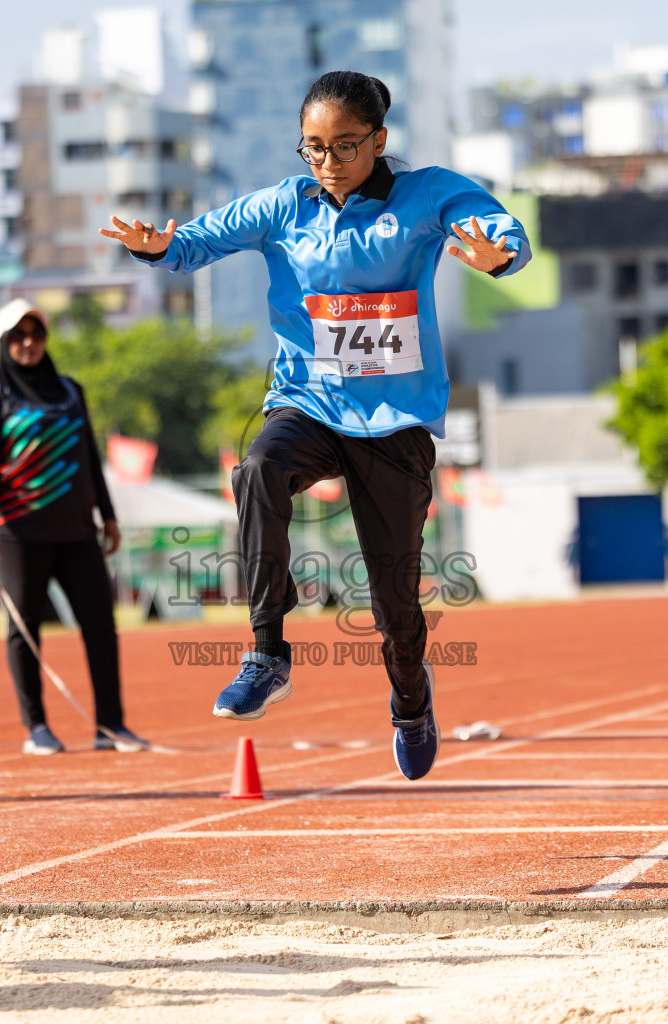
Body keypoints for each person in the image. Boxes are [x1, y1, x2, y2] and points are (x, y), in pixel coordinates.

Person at [102, 71, 529, 780]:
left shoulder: (426, 194)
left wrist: (500, 252)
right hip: (309, 399)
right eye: (313, 149)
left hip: (394, 419)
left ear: (379, 140)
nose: (328, 164)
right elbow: (197, 241)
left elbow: (493, 226)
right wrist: (155, 246)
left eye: (345, 147)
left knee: (395, 602)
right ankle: (267, 652)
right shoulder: (284, 205)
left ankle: (410, 701)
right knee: (259, 469)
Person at [0, 299, 149, 755]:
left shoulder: (70, 391)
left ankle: (111, 727)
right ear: (3, 343)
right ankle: (37, 728)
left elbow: (89, 457)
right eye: (17, 336)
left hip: (77, 531)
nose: (28, 344)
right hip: (18, 532)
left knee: (101, 626)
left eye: (36, 334)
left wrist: (107, 515)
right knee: (24, 628)